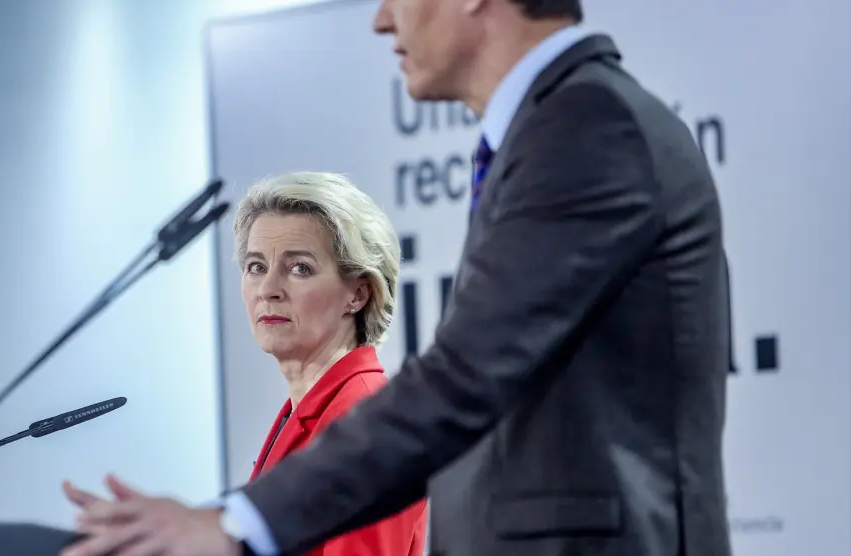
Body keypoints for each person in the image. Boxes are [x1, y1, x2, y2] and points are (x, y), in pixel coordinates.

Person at [63, 0, 736, 554]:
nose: (382, 19)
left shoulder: (587, 128)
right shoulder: (553, 128)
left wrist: (235, 524)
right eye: (256, 266)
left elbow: (469, 374)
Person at [60, 172, 427, 556]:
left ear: (358, 294)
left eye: (299, 268)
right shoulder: (309, 409)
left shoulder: (365, 419)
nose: (268, 289)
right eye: (255, 267)